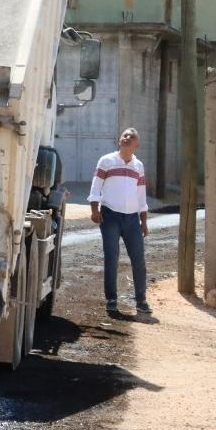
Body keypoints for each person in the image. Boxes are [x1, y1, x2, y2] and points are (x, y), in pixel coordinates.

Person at [90, 127, 152, 319]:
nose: (127, 138)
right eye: (125, 135)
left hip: (132, 219)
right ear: (119, 140)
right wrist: (94, 210)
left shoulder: (138, 166)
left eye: (131, 137)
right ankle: (111, 300)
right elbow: (96, 186)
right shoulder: (106, 161)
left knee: (139, 260)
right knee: (112, 257)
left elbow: (141, 196)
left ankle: (141, 301)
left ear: (136, 144)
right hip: (110, 216)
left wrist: (144, 221)